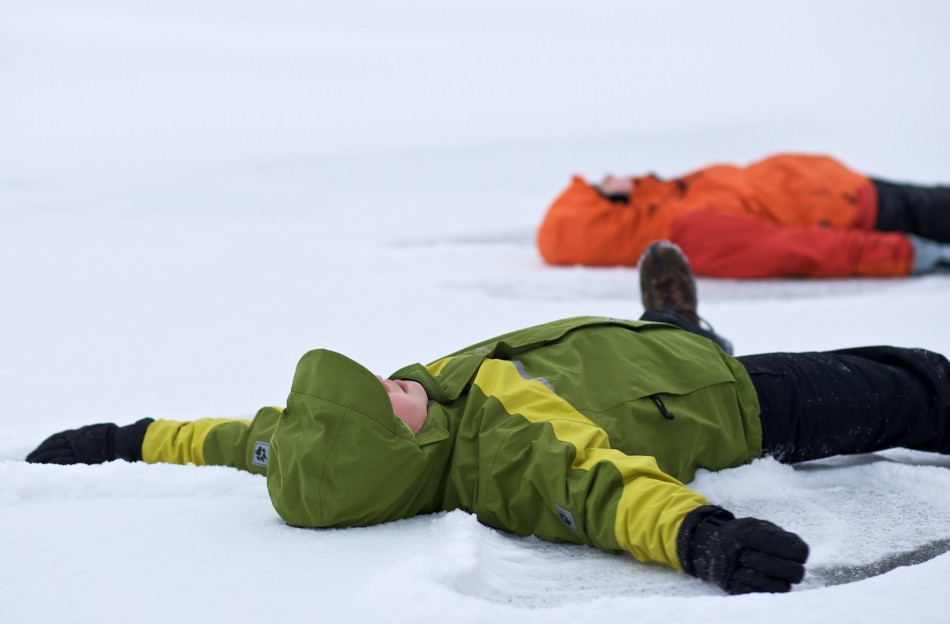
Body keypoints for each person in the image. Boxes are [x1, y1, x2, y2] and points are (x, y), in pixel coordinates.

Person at [26, 243, 950, 595]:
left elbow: (229, 438)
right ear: (406, 445)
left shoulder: (308, 443)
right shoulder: (501, 446)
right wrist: (700, 537)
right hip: (734, 403)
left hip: (633, 350)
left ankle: (673, 316)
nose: (392, 378)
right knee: (911, 384)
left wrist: (122, 439)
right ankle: (685, 331)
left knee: (667, 330)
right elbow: (596, 484)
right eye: (385, 397)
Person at [537, 153, 950, 278]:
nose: (611, 174)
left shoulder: (666, 198)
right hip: (873, 216)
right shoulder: (691, 230)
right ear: (608, 215)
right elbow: (798, 250)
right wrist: (909, 253)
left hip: (851, 189)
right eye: (600, 188)